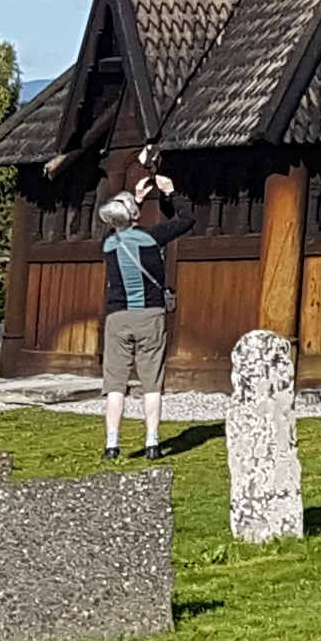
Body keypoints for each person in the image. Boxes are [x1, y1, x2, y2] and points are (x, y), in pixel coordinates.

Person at [93, 162, 193, 457]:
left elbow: (118, 221)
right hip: (150, 315)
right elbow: (187, 219)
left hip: (118, 318)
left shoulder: (108, 244)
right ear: (135, 216)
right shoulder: (152, 238)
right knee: (152, 383)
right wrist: (170, 192)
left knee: (114, 384)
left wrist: (132, 199)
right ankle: (152, 442)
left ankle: (112, 444)